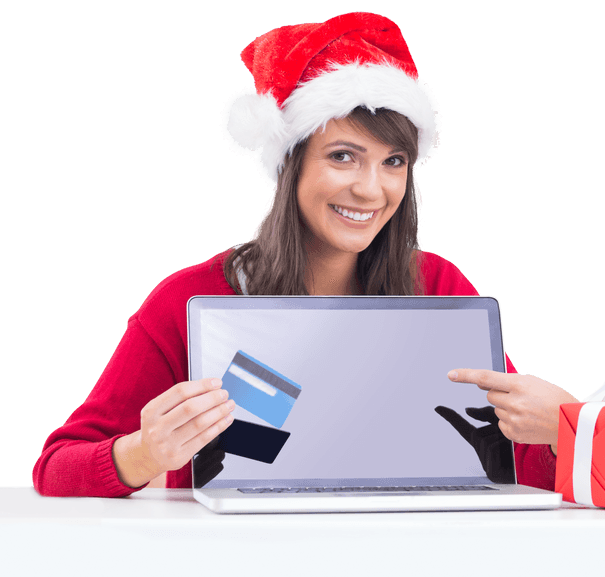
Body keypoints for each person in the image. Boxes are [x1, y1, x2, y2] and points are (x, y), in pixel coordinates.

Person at [32, 11, 577, 497]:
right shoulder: (189, 299)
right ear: (291, 167)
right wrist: (145, 453)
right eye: (344, 156)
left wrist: (564, 424)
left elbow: (518, 457)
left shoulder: (435, 283)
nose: (372, 189)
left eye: (394, 162)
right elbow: (56, 466)